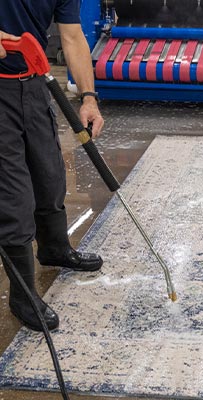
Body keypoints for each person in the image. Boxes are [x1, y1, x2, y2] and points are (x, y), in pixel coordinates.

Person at [1, 0, 106, 332]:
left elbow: (72, 36)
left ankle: (55, 248)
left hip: (33, 85)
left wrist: (88, 98)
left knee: (49, 175)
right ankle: (22, 295)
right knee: (14, 198)